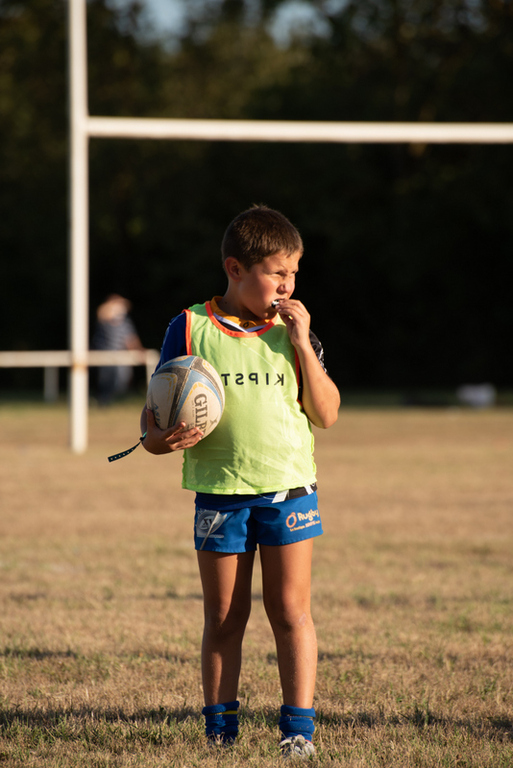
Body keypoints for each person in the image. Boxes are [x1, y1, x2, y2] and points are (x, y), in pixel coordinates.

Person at [140, 205, 340, 758]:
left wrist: (302, 343)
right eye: (277, 273)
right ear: (235, 268)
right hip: (220, 493)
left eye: (294, 273)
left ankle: (298, 731)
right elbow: (152, 422)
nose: (288, 285)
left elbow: (326, 413)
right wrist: (159, 441)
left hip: (289, 489)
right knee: (225, 617)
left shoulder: (293, 333)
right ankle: (220, 732)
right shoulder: (189, 327)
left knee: (291, 612)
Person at [92, 294, 144, 405]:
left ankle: (118, 401)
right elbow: (102, 313)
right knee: (106, 380)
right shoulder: (104, 320)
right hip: (105, 356)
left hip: (121, 357)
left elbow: (131, 339)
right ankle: (104, 401)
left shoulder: (126, 323)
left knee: (122, 380)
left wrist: (140, 351)